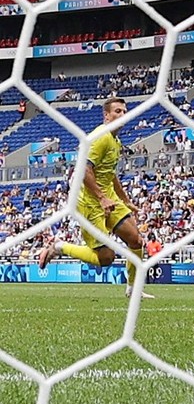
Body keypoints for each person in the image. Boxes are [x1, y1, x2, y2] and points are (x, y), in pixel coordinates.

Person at [38, 98, 154, 299]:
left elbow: (110, 173)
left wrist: (124, 199)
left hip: (108, 197)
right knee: (106, 257)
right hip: (90, 202)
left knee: (135, 240)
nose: (122, 114)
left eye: (124, 111)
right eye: (117, 111)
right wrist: (101, 198)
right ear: (106, 116)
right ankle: (59, 247)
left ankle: (133, 289)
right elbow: (84, 169)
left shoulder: (115, 141)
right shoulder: (99, 138)